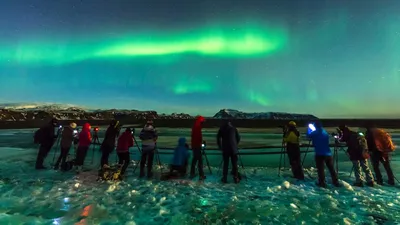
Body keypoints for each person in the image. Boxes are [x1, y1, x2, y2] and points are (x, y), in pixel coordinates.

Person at [307, 121, 340, 188]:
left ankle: (322, 183)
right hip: (328, 153)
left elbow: (308, 135)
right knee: (331, 169)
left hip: (320, 153)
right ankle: (336, 182)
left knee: (321, 169)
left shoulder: (315, 132)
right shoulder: (325, 132)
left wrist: (309, 128)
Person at [190, 115, 206, 180]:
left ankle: (192, 173)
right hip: (197, 146)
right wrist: (201, 144)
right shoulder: (198, 127)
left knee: (195, 160)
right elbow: (198, 138)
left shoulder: (195, 126)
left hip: (194, 146)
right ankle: (201, 175)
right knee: (200, 161)